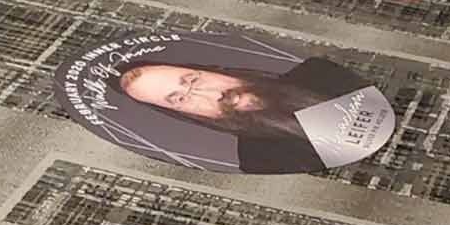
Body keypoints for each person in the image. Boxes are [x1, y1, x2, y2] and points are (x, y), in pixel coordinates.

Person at [117, 56, 377, 173]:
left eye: (193, 79)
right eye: (181, 99)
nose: (208, 94)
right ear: (183, 113)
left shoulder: (321, 72)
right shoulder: (260, 160)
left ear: (211, 69)